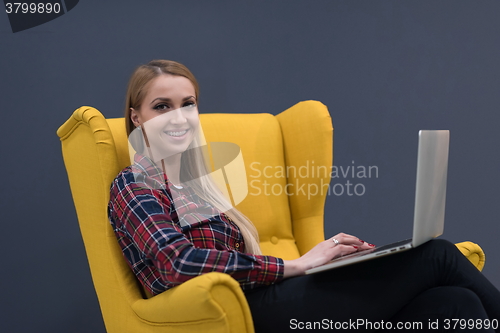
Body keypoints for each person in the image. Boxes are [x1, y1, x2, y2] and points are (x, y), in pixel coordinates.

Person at [108, 59, 500, 332]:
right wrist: (297, 266)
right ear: (137, 117)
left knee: (456, 307)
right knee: (438, 255)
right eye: (162, 107)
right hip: (243, 315)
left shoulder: (196, 185)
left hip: (277, 299)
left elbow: (244, 263)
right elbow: (177, 263)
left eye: (188, 104)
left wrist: (325, 263)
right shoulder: (134, 185)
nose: (179, 117)